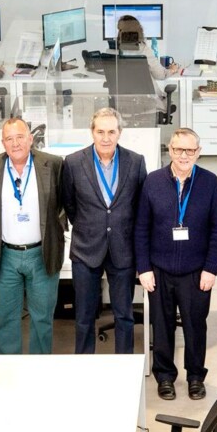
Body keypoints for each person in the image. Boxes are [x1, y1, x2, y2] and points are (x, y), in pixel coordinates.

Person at [135, 128, 217, 401]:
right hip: (159, 270)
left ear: (198, 152)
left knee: (195, 326)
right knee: (161, 326)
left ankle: (196, 377)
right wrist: (144, 268)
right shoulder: (152, 182)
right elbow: (141, 228)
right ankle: (164, 376)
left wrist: (211, 268)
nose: (184, 155)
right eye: (178, 150)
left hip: (196, 272)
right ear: (170, 150)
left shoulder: (210, 183)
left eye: (190, 150)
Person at [60, 107, 148, 354]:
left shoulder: (136, 161)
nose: (106, 137)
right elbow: (69, 203)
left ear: (120, 132)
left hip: (123, 248)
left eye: (111, 131)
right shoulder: (74, 163)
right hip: (86, 249)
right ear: (92, 132)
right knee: (84, 317)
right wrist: (90, 226)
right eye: (100, 131)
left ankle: (124, 367)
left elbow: (141, 205)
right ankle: (86, 365)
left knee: (124, 315)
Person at [0, 118, 66, 354]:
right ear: (2, 142)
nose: (15, 143)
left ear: (30, 138)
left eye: (20, 137)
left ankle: (37, 373)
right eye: (9, 139)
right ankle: (8, 374)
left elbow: (65, 204)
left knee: (42, 320)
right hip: (4, 255)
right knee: (6, 320)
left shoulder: (54, 165)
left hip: (42, 253)